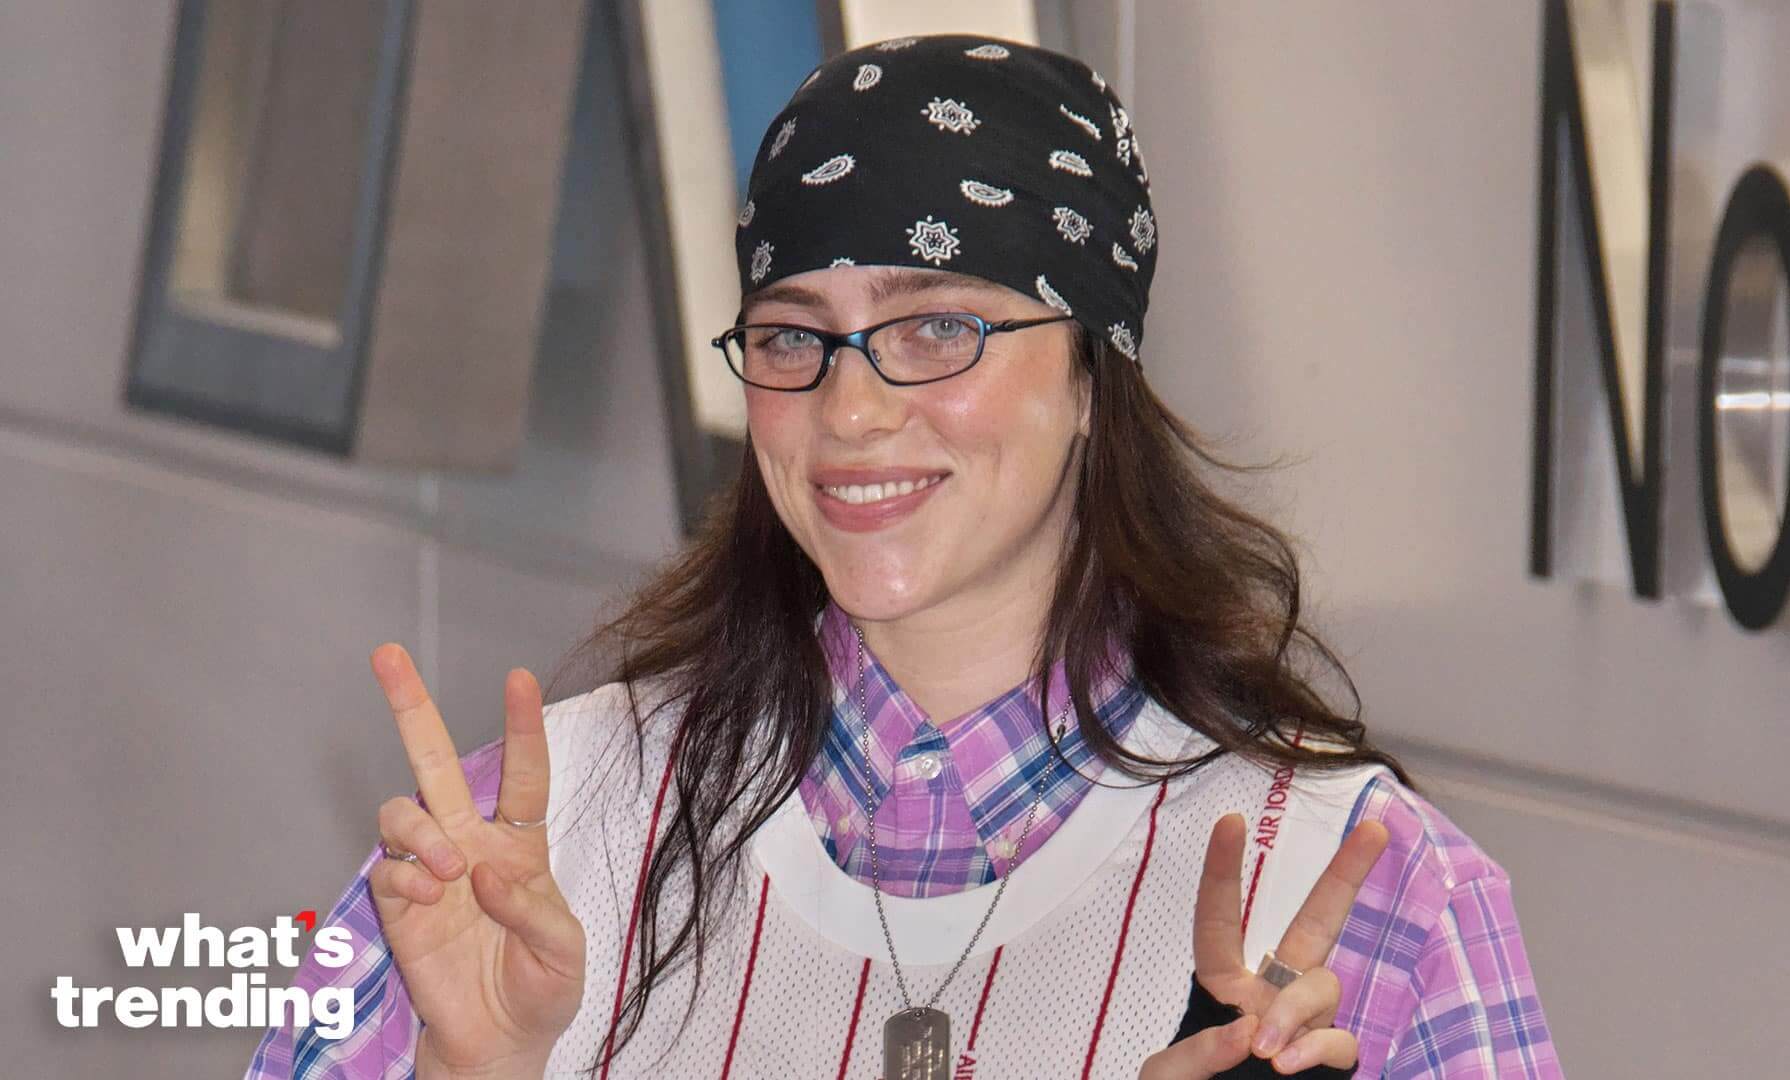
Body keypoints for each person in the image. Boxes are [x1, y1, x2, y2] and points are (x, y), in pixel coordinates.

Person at [246, 34, 1559, 1079]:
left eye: (937, 328)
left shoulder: (1357, 888)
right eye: (792, 334)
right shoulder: (527, 844)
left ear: (1093, 376)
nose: (852, 410)